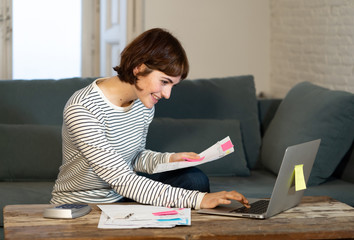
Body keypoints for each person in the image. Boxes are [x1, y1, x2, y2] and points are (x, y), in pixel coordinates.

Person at [51, 28, 250, 210]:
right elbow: (123, 179)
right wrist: (199, 200)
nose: (167, 94)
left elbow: (134, 157)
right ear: (139, 67)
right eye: (164, 82)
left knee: (194, 179)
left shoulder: (143, 103)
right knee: (196, 194)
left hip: (120, 197)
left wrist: (170, 159)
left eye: (172, 85)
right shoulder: (83, 107)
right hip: (81, 204)